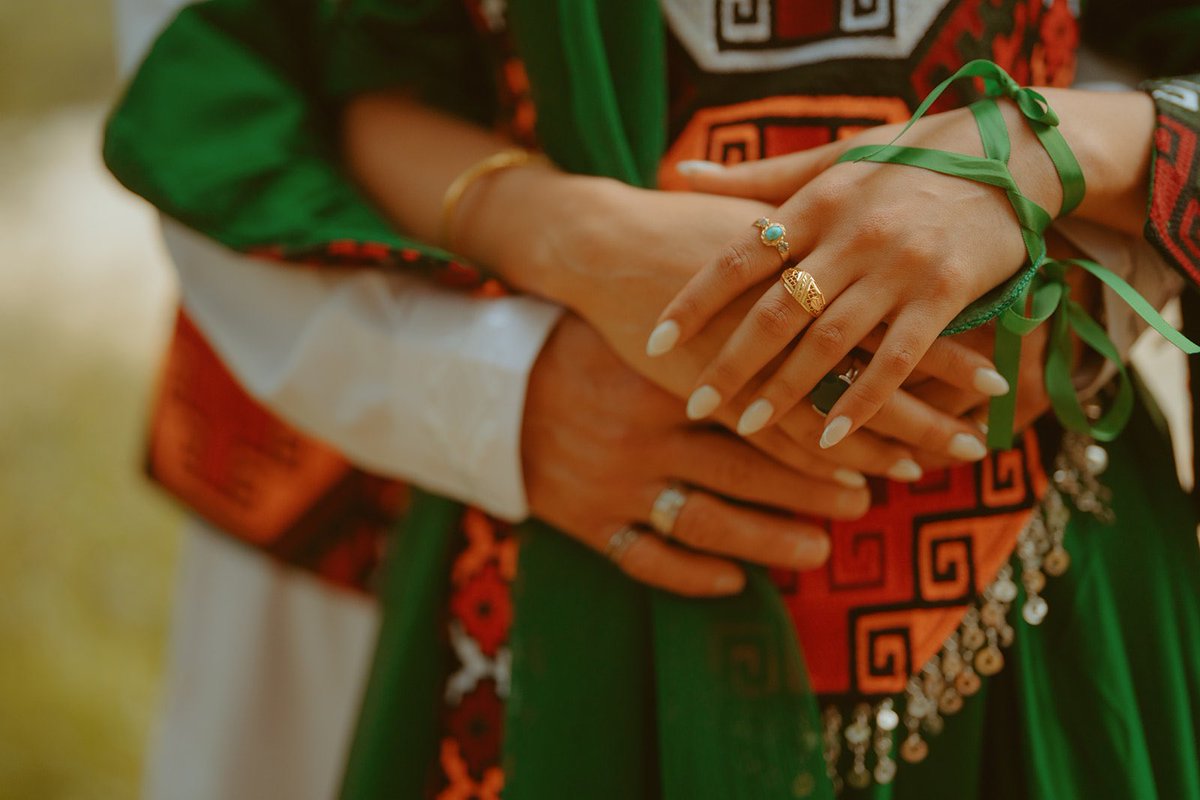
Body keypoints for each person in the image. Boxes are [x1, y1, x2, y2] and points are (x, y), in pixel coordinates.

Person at [104, 0, 1200, 798]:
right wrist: (537, 289)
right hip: (505, 528)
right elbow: (291, 67)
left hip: (1039, 574)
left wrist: (1056, 146)